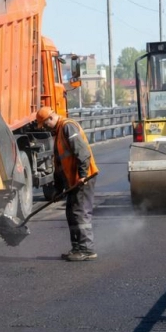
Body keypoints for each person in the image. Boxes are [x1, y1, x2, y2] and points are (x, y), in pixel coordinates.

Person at [36, 106, 99, 262]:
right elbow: (59, 166)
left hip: (83, 178)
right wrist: (58, 190)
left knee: (80, 212)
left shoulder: (68, 126)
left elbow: (82, 152)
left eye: (45, 124)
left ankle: (87, 249)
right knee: (71, 213)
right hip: (73, 181)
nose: (45, 128)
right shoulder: (58, 134)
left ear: (50, 118)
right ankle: (77, 248)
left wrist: (83, 175)